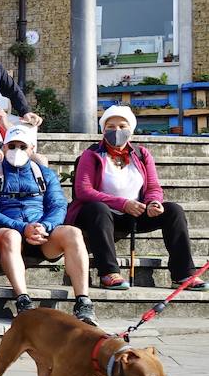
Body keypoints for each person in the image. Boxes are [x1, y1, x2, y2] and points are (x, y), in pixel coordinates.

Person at [68, 105, 204, 292]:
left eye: (122, 126)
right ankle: (109, 273)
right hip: (100, 216)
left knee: (174, 210)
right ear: (103, 130)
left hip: (135, 213)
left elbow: (153, 186)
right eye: (110, 126)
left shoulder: (141, 154)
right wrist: (123, 204)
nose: (117, 131)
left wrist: (153, 203)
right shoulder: (91, 154)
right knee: (98, 208)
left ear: (131, 130)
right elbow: (84, 191)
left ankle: (183, 274)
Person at [0, 126, 97, 325]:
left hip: (41, 233)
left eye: (23, 146)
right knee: (11, 236)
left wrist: (45, 226)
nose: (17, 150)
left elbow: (58, 205)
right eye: (12, 146)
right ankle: (23, 300)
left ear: (32, 149)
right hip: (6, 232)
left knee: (73, 232)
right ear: (3, 147)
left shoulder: (45, 174)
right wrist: (22, 228)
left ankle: (83, 302)